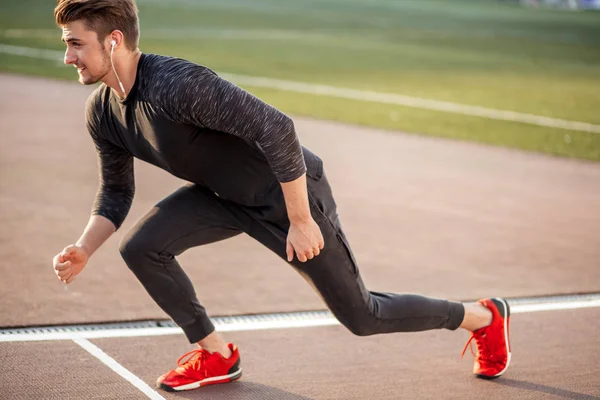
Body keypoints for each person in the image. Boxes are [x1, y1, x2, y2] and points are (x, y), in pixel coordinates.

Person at [51, 0, 511, 393]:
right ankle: (216, 355)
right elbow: (116, 190)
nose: (68, 56)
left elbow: (276, 127)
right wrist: (84, 249)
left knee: (363, 315)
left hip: (285, 195)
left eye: (76, 43)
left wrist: (302, 219)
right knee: (142, 248)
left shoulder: (175, 84)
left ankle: (482, 317)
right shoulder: (104, 112)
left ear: (113, 40)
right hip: (223, 196)